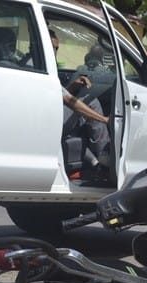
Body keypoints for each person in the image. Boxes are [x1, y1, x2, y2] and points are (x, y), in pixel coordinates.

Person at [52, 28, 111, 175]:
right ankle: (105, 157)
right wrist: (104, 119)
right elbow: (69, 101)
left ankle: (94, 163)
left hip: (49, 113)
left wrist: (72, 87)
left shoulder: (37, 62)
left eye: (56, 48)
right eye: (52, 48)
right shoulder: (38, 64)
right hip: (50, 118)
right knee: (91, 102)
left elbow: (57, 95)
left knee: (81, 119)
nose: (54, 52)